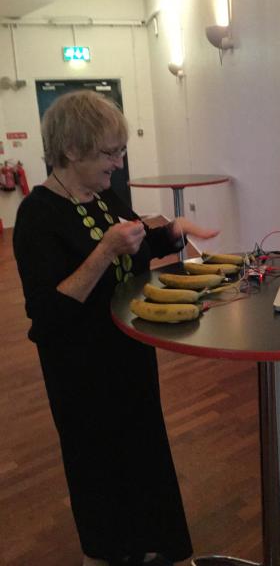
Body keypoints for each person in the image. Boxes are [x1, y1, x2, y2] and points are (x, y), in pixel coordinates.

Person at [13, 90, 219, 566]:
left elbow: (137, 248)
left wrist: (173, 232)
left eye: (120, 150)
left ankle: (155, 546)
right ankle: (108, 553)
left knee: (145, 452)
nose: (119, 162)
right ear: (70, 150)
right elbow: (47, 312)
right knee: (99, 467)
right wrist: (103, 250)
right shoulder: (37, 215)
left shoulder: (106, 196)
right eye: (109, 152)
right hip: (80, 370)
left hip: (127, 352)